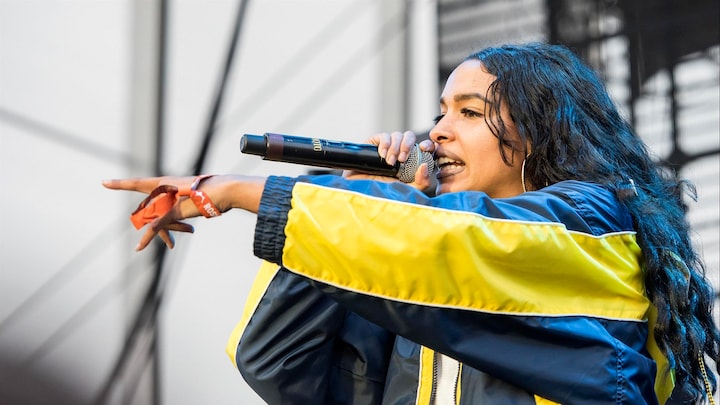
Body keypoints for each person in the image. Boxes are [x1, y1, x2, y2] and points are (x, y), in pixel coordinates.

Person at [103, 42, 719, 404]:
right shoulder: (416, 284)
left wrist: (238, 191)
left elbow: (455, 242)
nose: (437, 131)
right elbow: (277, 364)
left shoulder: (592, 225)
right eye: (440, 113)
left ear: (540, 133)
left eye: (469, 113)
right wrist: (358, 190)